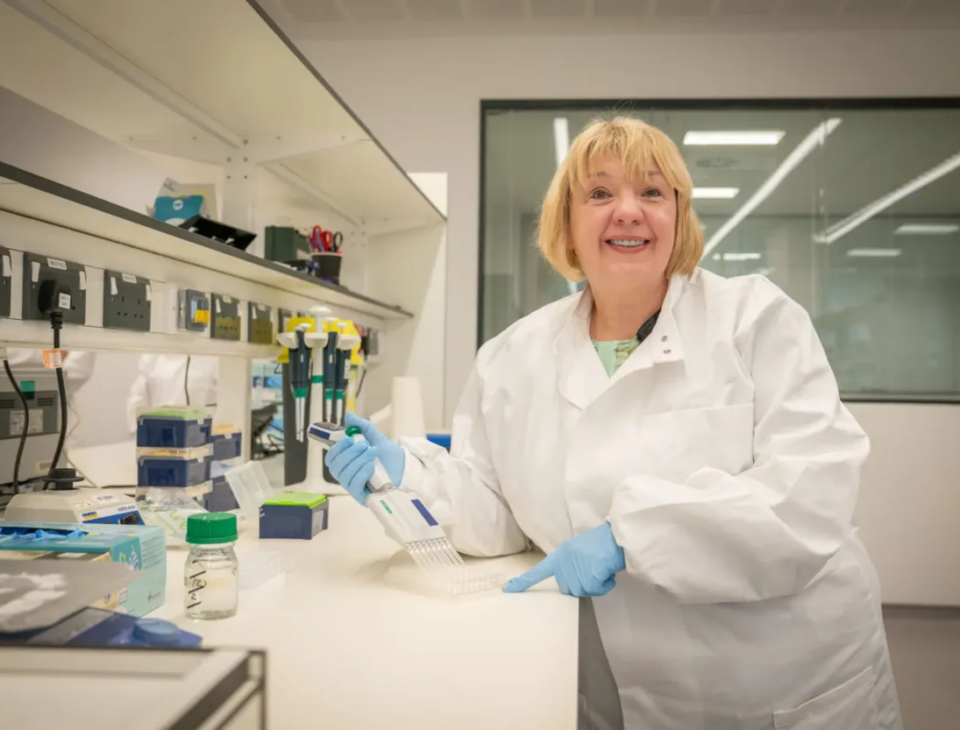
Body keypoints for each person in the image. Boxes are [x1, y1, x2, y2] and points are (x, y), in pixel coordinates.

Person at [325, 117, 902, 730]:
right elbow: (497, 511)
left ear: (678, 217)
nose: (628, 211)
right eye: (600, 194)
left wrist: (633, 535)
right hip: (610, 681)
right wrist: (407, 475)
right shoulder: (510, 356)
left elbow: (809, 496)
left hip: (778, 677)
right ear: (567, 225)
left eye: (652, 192)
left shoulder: (755, 320)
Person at [126, 354, 218, 432]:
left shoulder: (211, 358)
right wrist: (138, 431)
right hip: (160, 434)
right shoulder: (153, 358)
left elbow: (223, 399)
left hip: (199, 434)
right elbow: (136, 397)